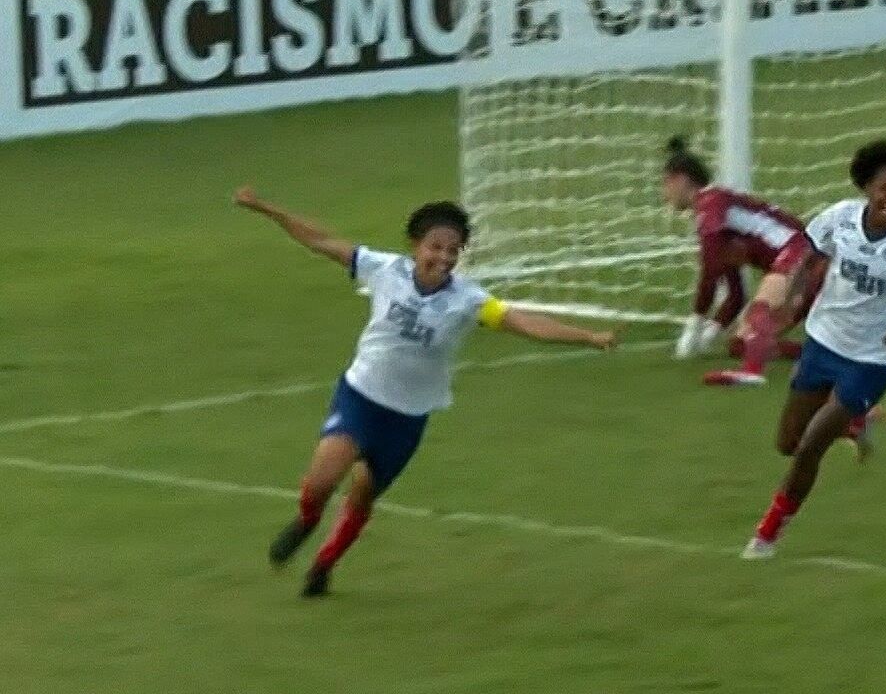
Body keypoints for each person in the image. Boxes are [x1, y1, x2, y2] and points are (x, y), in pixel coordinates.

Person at [233, 187, 617, 597]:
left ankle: (324, 566)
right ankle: (306, 522)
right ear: (416, 245)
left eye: (454, 251)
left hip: (406, 420)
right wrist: (265, 207)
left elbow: (522, 323)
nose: (445, 258)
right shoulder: (382, 269)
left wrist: (587, 336)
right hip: (360, 397)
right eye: (436, 247)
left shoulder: (468, 301)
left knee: (362, 498)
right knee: (321, 482)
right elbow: (321, 241)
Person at [740, 140, 886, 560]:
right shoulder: (837, 219)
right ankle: (854, 425)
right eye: (884, 189)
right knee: (787, 442)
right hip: (823, 341)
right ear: (866, 187)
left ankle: (767, 534)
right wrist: (791, 306)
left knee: (809, 448)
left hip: (873, 359)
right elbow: (808, 263)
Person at [661, 137, 823, 385]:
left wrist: (694, 327)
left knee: (761, 314)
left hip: (801, 256)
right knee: (741, 343)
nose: (665, 194)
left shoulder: (711, 204)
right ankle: (823, 358)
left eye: (666, 184)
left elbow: (710, 273)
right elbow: (736, 293)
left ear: (681, 180)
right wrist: (710, 333)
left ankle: (751, 373)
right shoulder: (719, 219)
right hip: (801, 264)